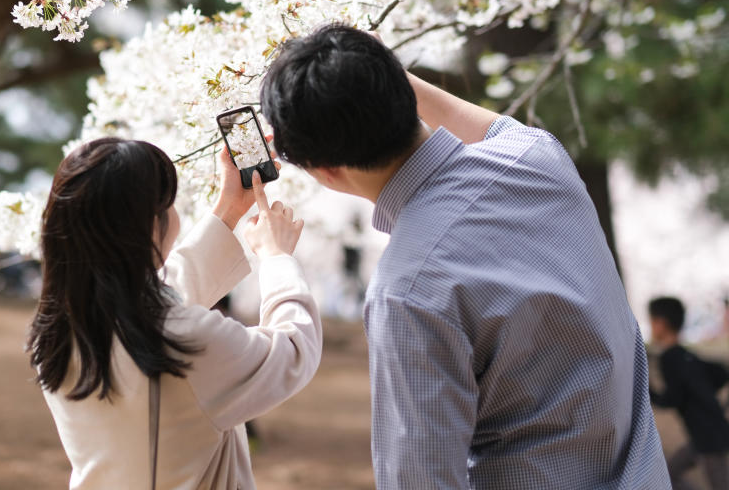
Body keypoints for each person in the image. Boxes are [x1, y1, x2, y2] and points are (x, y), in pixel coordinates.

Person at [260, 24, 669, 489]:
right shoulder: (538, 157)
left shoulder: (409, 291)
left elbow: (421, 479)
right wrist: (371, 70)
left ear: (326, 171)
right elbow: (468, 119)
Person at [28, 138, 321, 490]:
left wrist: (229, 207)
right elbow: (292, 351)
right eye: (167, 205)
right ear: (148, 225)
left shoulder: (59, 328)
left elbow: (163, 297)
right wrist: (276, 258)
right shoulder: (180, 341)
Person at [648, 296, 729, 490]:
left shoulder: (669, 358)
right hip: (706, 431)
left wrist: (648, 391)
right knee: (668, 474)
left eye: (651, 321)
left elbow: (673, 398)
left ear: (661, 324)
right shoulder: (687, 355)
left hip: (709, 437)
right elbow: (720, 374)